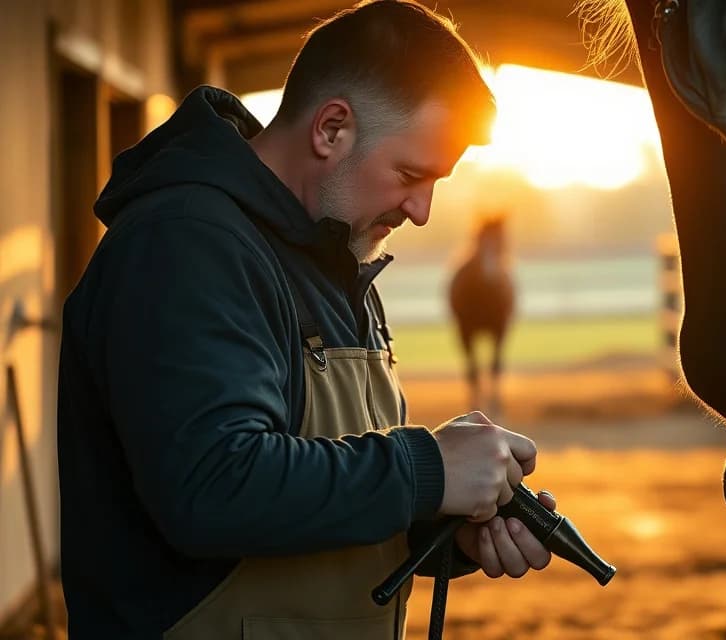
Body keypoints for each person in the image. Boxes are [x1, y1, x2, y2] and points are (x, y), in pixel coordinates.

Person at [56, 2, 553, 638]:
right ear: (332, 129)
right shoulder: (185, 244)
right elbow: (212, 488)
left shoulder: (333, 254)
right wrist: (425, 470)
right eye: (410, 174)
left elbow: (320, 481)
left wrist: (445, 520)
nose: (423, 210)